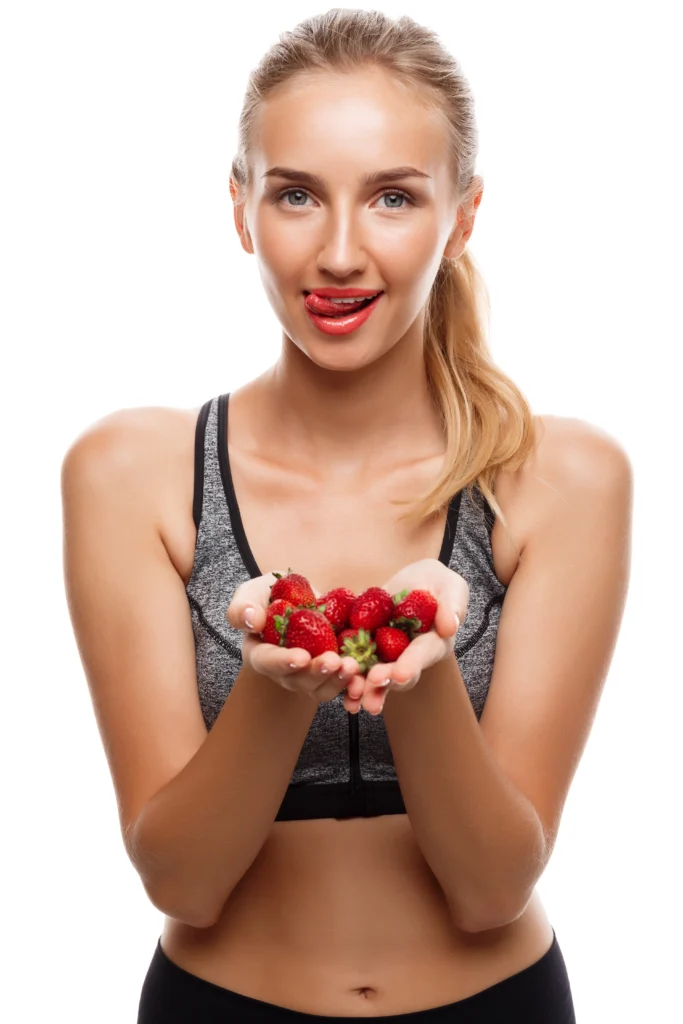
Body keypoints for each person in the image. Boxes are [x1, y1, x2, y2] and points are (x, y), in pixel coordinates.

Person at [61, 8, 632, 1022]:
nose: (336, 252)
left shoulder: (560, 479)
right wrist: (275, 684)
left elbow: (489, 889)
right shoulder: (130, 473)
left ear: (460, 217)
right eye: (294, 195)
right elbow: (182, 882)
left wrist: (423, 670)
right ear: (240, 210)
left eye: (391, 199)